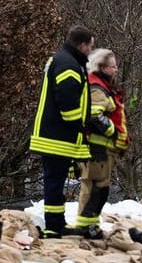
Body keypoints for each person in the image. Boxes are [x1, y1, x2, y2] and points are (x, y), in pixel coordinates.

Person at [29, 25, 96, 238]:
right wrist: (81, 127)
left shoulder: (62, 59)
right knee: (54, 182)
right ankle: (53, 226)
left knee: (55, 183)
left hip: (55, 134)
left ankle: (56, 223)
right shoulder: (69, 65)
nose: (90, 52)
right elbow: (67, 103)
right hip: (58, 136)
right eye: (90, 47)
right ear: (82, 44)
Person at [74, 48, 130, 240]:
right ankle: (85, 226)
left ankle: (91, 225)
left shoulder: (102, 85)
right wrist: (113, 132)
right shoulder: (97, 88)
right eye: (113, 66)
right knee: (95, 189)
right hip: (97, 147)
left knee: (100, 188)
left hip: (101, 147)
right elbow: (94, 116)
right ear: (102, 67)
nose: (116, 70)